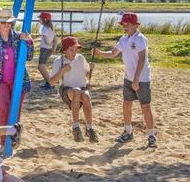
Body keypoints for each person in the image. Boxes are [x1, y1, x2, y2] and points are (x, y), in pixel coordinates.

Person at [93, 12, 157, 148]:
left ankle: (151, 135)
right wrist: (100, 54)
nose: (125, 26)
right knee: (126, 105)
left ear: (135, 25)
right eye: (123, 24)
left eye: (128, 24)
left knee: (145, 106)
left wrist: (136, 79)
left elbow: (142, 59)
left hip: (142, 79)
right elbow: (113, 53)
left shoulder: (140, 39)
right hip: (128, 78)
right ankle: (128, 132)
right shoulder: (123, 39)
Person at [0, 9, 34, 135]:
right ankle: (3, 140)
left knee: (16, 110)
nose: (6, 25)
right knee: (3, 109)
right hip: (0, 81)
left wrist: (29, 42)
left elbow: (29, 57)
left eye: (9, 22)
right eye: (3, 22)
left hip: (18, 80)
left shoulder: (19, 38)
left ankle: (14, 138)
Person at [49, 36, 99, 143]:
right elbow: (52, 82)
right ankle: (76, 127)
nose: (74, 52)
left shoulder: (80, 58)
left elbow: (87, 78)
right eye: (71, 50)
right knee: (76, 90)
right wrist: (62, 71)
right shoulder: (59, 61)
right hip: (66, 91)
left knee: (86, 96)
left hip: (81, 89)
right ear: (65, 50)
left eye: (76, 49)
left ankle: (89, 128)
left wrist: (91, 70)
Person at [37, 12, 56, 89]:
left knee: (41, 67)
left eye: (40, 18)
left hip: (45, 49)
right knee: (43, 67)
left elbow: (47, 41)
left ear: (44, 19)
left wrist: (49, 43)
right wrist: (53, 48)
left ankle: (50, 83)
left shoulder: (44, 28)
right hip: (49, 50)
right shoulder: (51, 28)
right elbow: (55, 40)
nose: (39, 20)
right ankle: (49, 82)